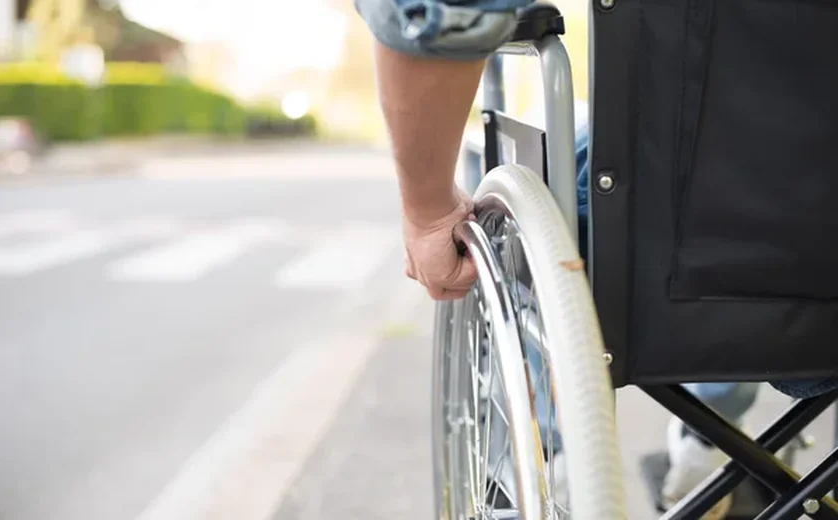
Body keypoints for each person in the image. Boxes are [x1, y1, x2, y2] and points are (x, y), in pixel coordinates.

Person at [354, 1, 838, 517]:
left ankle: (543, 461)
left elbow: (442, 13)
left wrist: (427, 212)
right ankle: (711, 430)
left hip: (705, 256)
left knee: (563, 185)